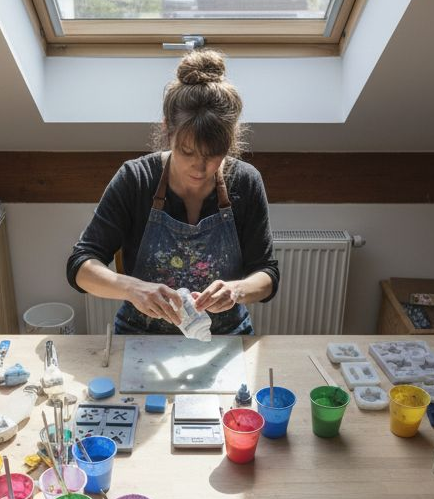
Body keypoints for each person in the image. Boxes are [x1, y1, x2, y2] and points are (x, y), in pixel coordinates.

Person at [67, 50, 279, 335]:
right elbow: (80, 265)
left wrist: (237, 291)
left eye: (215, 154)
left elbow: (267, 274)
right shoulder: (136, 179)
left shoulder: (245, 181)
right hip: (141, 335)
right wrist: (133, 288)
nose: (201, 167)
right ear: (168, 130)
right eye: (187, 152)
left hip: (224, 337)